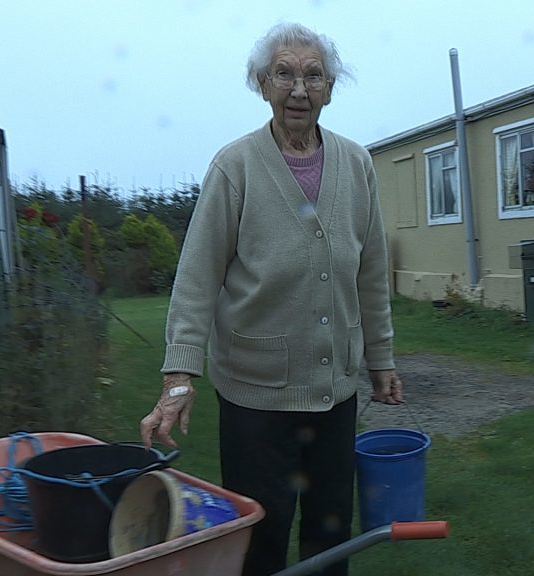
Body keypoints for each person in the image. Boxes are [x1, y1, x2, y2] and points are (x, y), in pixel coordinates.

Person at [138, 22, 403, 576]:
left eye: (313, 75)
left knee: (331, 533)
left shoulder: (357, 166)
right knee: (260, 534)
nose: (299, 89)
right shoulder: (234, 166)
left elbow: (372, 273)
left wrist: (380, 359)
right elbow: (196, 277)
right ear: (262, 84)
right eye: (284, 74)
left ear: (331, 87)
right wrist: (178, 376)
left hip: (334, 393)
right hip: (255, 395)